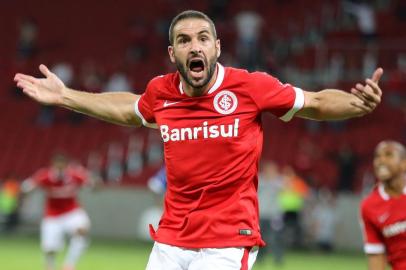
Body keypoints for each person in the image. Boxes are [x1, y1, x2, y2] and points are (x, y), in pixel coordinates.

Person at [14, 10, 383, 270]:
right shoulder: (161, 92)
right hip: (173, 235)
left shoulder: (250, 87)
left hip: (227, 237)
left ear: (217, 48)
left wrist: (356, 104)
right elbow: (129, 110)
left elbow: (316, 103)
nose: (195, 47)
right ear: (173, 53)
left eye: (203, 39)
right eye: (185, 40)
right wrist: (65, 96)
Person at [21, 154, 93, 270]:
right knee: (50, 249)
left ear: (66, 166)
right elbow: (27, 187)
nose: (60, 169)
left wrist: (92, 180)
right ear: (53, 165)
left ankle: (69, 265)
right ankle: (50, 266)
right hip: (53, 215)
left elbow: (93, 185)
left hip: (72, 212)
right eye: (57, 166)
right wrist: (28, 188)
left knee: (82, 230)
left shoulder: (75, 175)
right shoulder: (45, 176)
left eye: (62, 167)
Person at [360, 141, 406, 270]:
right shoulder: (369, 206)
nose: (381, 161)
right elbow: (376, 256)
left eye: (389, 155)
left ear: (404, 164)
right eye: (377, 156)